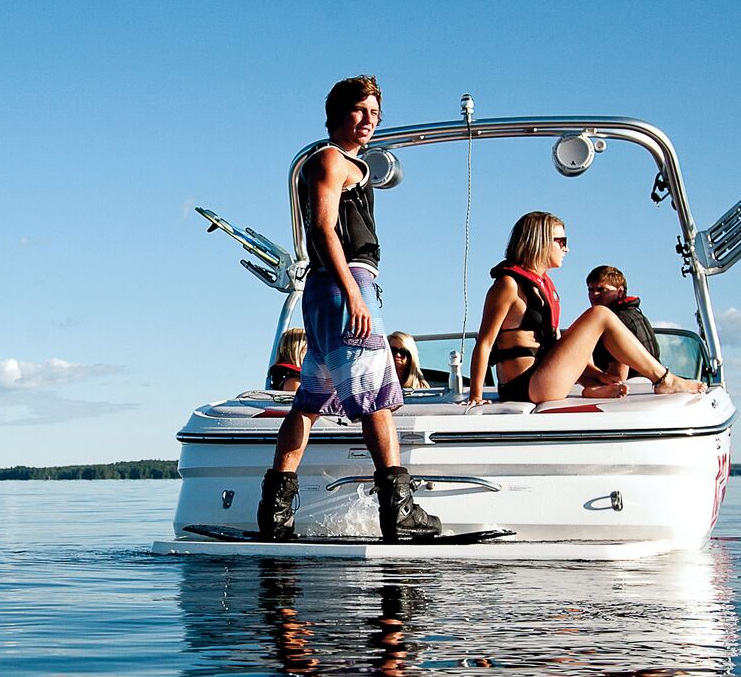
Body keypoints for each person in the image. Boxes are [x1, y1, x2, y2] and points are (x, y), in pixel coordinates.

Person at [259, 76, 441, 542]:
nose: (369, 121)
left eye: (375, 114)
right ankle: (399, 513)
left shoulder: (350, 165)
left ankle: (275, 514)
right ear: (337, 113)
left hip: (331, 291)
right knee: (378, 399)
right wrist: (354, 293)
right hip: (343, 286)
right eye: (360, 111)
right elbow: (323, 229)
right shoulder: (330, 159)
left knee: (309, 402)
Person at [465, 212, 705, 406]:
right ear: (539, 241)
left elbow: (554, 345)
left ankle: (594, 387)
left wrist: (596, 373)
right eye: (561, 241)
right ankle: (664, 379)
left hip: (542, 377)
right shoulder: (508, 285)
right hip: (525, 386)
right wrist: (475, 395)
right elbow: (485, 341)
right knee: (599, 314)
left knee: (580, 332)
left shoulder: (542, 284)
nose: (566, 249)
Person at [582, 265, 659, 392]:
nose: (594, 294)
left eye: (602, 289)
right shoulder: (637, 316)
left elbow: (618, 377)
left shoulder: (617, 321)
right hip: (647, 387)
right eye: (591, 290)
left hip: (627, 394)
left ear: (620, 291)